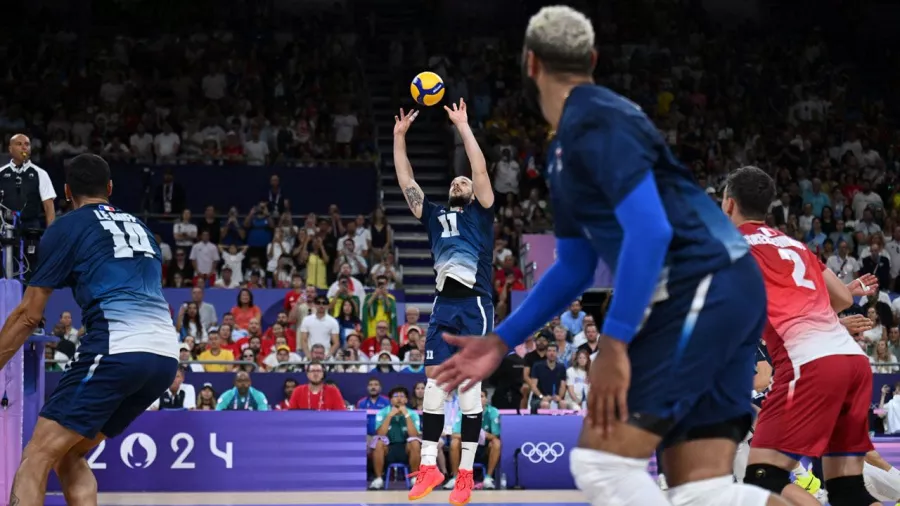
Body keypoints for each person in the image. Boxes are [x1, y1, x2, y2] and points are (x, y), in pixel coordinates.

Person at [432, 7, 788, 506]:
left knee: (601, 461)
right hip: (729, 285)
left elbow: (650, 231)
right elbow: (576, 265)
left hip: (700, 288)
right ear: (592, 58)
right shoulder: (579, 137)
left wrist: (616, 344)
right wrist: (501, 339)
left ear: (530, 64)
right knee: (703, 491)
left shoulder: (593, 124)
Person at [0, 153, 179, 506]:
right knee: (69, 454)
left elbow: (28, 316)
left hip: (118, 349)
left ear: (66, 192)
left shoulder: (67, 227)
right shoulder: (141, 228)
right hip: (164, 357)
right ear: (110, 188)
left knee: (36, 456)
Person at [722, 165, 879, 506]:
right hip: (852, 363)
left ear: (728, 205)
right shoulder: (795, 245)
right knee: (849, 492)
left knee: (764, 479)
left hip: (809, 367)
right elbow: (843, 298)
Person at [393, 97, 495, 505]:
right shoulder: (434, 215)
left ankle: (466, 475)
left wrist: (463, 126)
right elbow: (406, 183)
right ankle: (431, 466)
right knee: (432, 390)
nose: (460, 181)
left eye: (464, 182)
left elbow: (480, 167)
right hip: (442, 307)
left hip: (474, 305)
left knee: (470, 392)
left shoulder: (481, 214)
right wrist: (399, 138)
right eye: (455, 181)